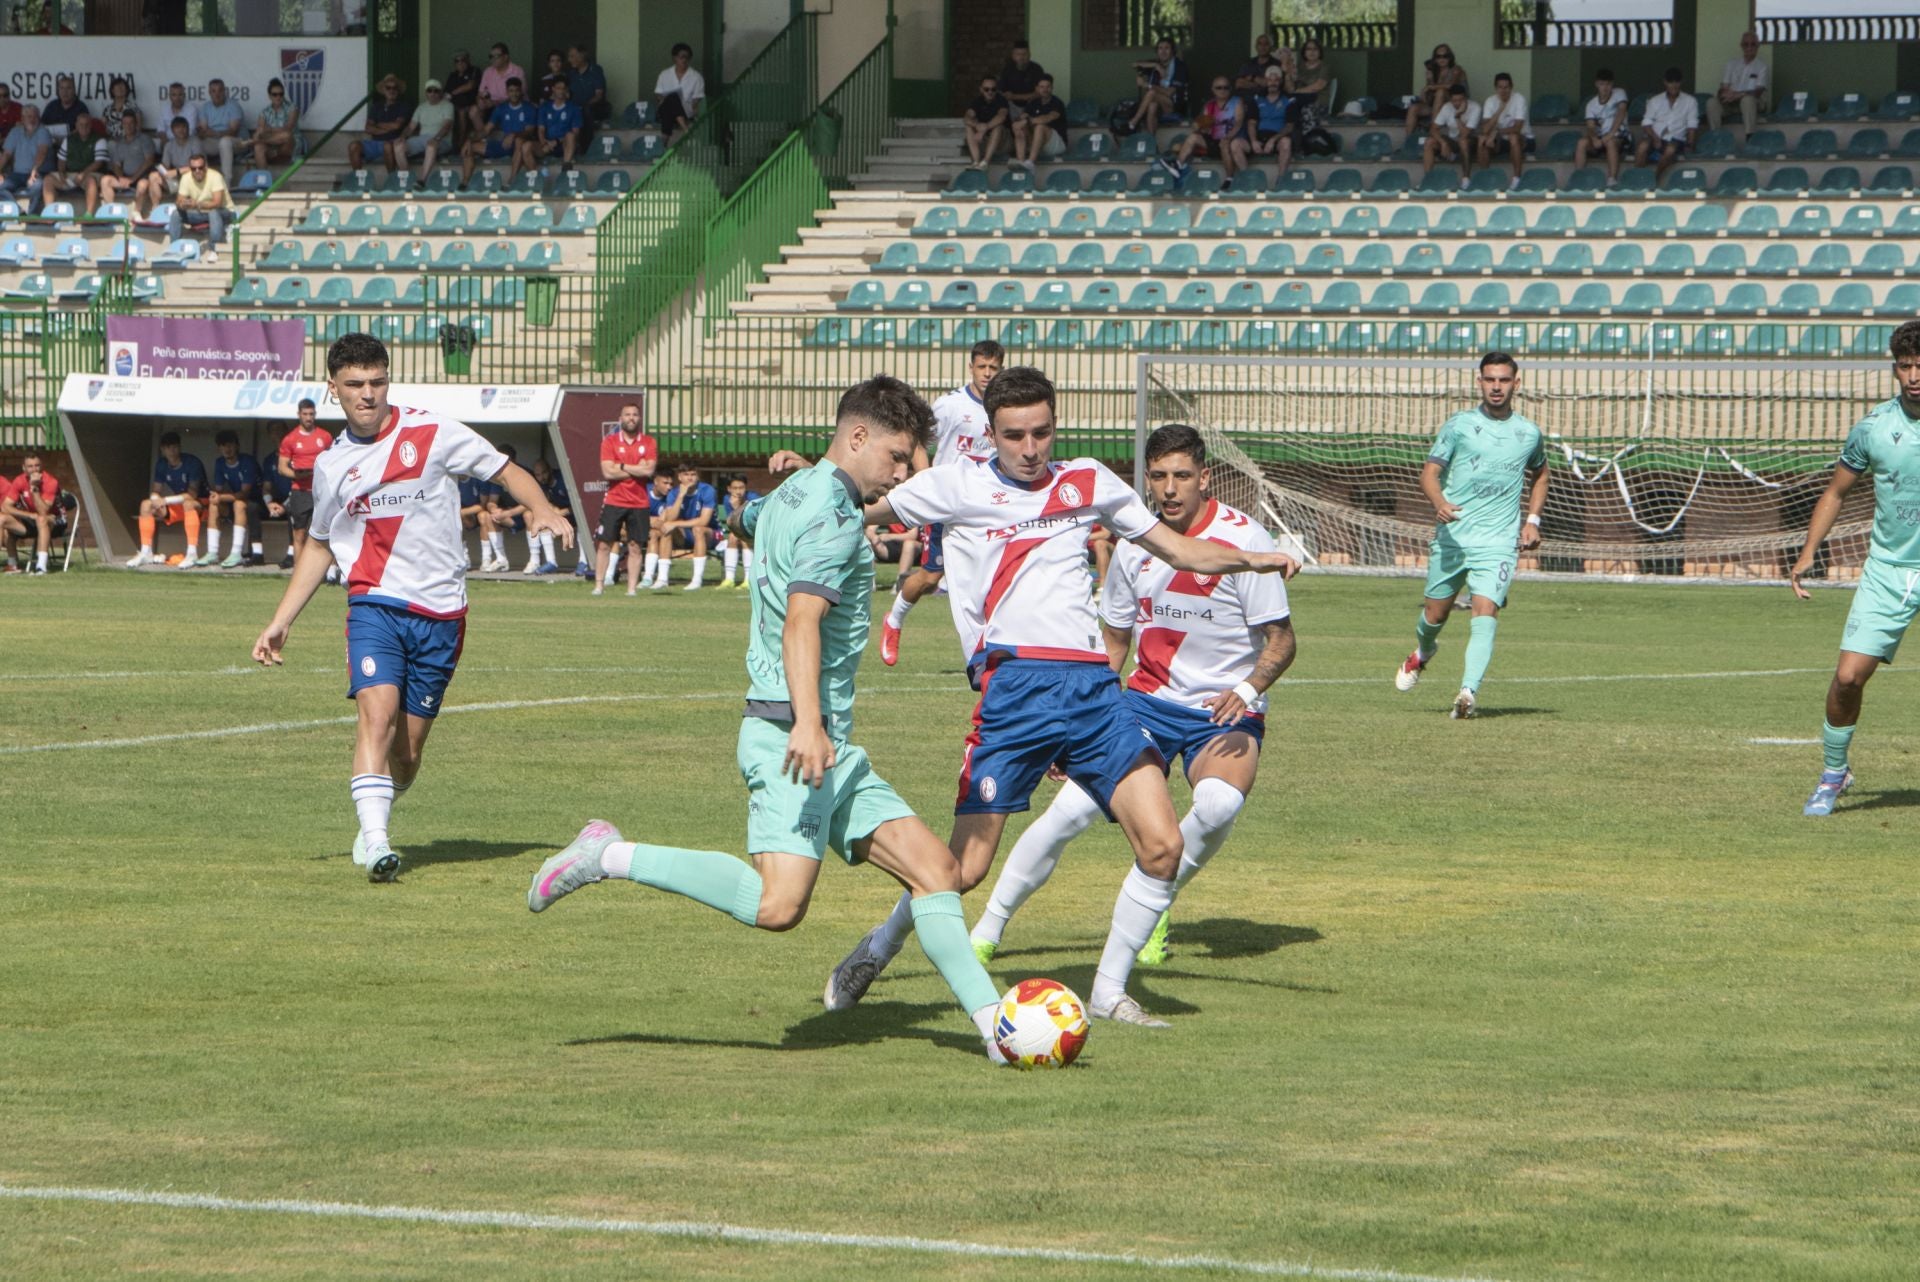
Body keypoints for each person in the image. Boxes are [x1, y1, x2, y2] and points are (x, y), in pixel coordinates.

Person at [525, 376, 1016, 1067]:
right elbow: (801, 622)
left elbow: (740, 523)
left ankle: (997, 1030)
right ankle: (605, 854)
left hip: (825, 739)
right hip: (793, 735)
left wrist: (787, 479)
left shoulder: (792, 493)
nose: (902, 474)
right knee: (778, 907)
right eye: (898, 457)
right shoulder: (834, 518)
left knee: (936, 871)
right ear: (858, 437)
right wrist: (809, 725)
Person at [811, 366, 1301, 1028]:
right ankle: (879, 945)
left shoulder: (1090, 482)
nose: (1030, 447)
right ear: (991, 434)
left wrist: (1256, 559)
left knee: (1161, 847)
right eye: (1015, 435)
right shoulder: (956, 484)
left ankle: (1108, 993)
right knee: (961, 871)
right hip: (1014, 694)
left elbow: (1183, 551)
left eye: (1042, 432)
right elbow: (852, 504)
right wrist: (790, 501)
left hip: (1096, 694)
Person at [970, 424, 1296, 968]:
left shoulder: (1245, 541)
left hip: (1223, 710)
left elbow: (1282, 641)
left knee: (1217, 806)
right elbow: (1114, 641)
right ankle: (987, 928)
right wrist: (1074, 717)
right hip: (1145, 702)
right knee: (1067, 814)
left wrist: (1247, 688)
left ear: (1205, 479)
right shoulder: (1133, 546)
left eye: (1182, 477)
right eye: (1160, 477)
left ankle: (1156, 893)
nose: (1170, 489)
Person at [250, 332, 571, 882]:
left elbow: (504, 470)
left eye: (376, 382)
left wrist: (540, 507)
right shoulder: (331, 465)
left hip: (443, 614)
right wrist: (281, 620)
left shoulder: (434, 431)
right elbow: (322, 542)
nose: (367, 394)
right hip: (374, 602)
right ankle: (377, 843)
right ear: (334, 390)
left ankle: (374, 815)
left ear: (388, 382)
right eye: (354, 385)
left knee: (408, 754)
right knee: (375, 714)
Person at [1790, 321, 1920, 816]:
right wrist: (1808, 553)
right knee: (1847, 679)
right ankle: (1833, 773)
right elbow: (1836, 492)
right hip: (1889, 570)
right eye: (1905, 367)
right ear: (1894, 369)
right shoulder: (1872, 427)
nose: (1913, 376)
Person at [1393, 352, 1549, 721]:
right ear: (1479, 382)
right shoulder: (1459, 425)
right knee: (1434, 614)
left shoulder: (1529, 433)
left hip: (1498, 541)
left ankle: (1467, 692)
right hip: (1453, 537)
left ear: (1517, 384)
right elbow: (1429, 473)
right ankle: (1423, 651)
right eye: (1490, 379)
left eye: (1504, 380)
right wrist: (1439, 502)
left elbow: (1540, 475)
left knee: (1486, 609)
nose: (1497, 386)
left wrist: (1533, 520)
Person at [879, 340, 1001, 666]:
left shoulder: (1002, 407)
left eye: (993, 368)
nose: (987, 373)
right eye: (982, 367)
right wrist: (929, 480)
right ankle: (894, 621)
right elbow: (919, 440)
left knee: (990, 575)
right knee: (931, 578)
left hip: (985, 505)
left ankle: (990, 650)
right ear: (971, 367)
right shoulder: (950, 405)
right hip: (946, 504)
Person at [592, 400, 656, 598]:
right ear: (620, 419)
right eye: (627, 415)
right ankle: (599, 585)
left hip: (639, 502)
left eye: (635, 415)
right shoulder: (610, 442)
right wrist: (637, 468)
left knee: (635, 546)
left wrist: (620, 466)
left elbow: (649, 470)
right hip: (615, 500)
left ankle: (631, 588)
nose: (631, 418)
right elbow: (607, 472)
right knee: (604, 543)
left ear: (640, 418)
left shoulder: (649, 442)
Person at [128, 430, 206, 567]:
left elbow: (192, 494)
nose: (172, 451)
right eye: (168, 448)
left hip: (201, 503)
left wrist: (165, 501)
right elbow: (156, 490)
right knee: (146, 504)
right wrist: (155, 500)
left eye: (175, 447)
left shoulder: (192, 462)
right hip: (179, 505)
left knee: (188, 503)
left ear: (180, 447)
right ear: (162, 449)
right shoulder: (162, 464)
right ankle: (146, 552)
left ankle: (192, 553)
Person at [278, 398, 333, 570]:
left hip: (321, 491)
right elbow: (282, 467)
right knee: (299, 533)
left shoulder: (324, 436)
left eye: (311, 414)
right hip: (300, 491)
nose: (308, 417)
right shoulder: (290, 439)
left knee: (325, 532)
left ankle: (329, 571)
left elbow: (332, 462)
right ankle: (299, 571)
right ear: (299, 415)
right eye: (305, 414)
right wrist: (298, 474)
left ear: (315, 414)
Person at [1165, 76, 1251, 184]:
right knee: (1193, 137)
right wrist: (1199, 126)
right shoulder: (1209, 105)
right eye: (1219, 88)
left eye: (1226, 87)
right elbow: (1202, 126)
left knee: (1225, 143)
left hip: (1233, 139)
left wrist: (1228, 137)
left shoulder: (1237, 101)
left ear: (1230, 89)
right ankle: (1178, 166)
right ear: (1213, 89)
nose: (1223, 90)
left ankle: (1229, 178)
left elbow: (1239, 122)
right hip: (1214, 141)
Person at [206, 429, 265, 568]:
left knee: (239, 503)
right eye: (223, 446)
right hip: (236, 505)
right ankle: (212, 552)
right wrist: (216, 497)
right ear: (219, 448)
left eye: (230, 445)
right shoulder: (220, 463)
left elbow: (244, 493)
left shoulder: (247, 461)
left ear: (237, 446)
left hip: (258, 504)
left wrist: (220, 497)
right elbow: (219, 490)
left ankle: (236, 552)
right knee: (214, 505)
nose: (227, 449)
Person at [462, 77, 535, 188]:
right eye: (511, 91)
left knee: (520, 141)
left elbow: (530, 131)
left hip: (518, 146)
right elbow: (486, 130)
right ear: (507, 92)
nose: (514, 94)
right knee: (470, 147)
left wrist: (514, 134)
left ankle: (512, 181)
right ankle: (465, 182)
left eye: (517, 90)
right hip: (504, 144)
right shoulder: (501, 108)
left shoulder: (529, 108)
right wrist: (469, 140)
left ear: (521, 92)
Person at [1635, 67, 1699, 182]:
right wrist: (1655, 139)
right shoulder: (1655, 100)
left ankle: (1654, 179)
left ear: (1681, 82)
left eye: (1676, 82)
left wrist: (1690, 144)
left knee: (1670, 149)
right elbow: (1646, 123)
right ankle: (1638, 179)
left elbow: (1692, 125)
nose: (1674, 85)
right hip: (1654, 136)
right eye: (1670, 82)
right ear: (1665, 82)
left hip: (1676, 139)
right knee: (1642, 146)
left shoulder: (1690, 101)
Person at [3, 452, 63, 574]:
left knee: (42, 519)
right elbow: (5, 506)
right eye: (30, 466)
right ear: (24, 468)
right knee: (2, 519)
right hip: (31, 521)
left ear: (42, 466)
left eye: (37, 465)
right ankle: (12, 564)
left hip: (55, 521)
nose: (34, 469)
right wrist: (29, 515)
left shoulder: (51, 481)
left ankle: (41, 566)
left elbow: (43, 511)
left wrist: (34, 488)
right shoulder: (19, 480)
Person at [659, 461, 715, 591]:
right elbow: (669, 519)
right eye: (686, 474)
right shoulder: (674, 493)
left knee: (698, 529)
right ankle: (662, 579)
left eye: (693, 474)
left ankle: (697, 580)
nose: (690, 478)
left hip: (711, 534)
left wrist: (676, 524)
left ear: (698, 476)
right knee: (666, 529)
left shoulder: (707, 490)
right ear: (679, 477)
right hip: (686, 535)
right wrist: (680, 496)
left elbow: (704, 521)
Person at [1571, 68, 1631, 187]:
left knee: (1611, 142)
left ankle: (1612, 179)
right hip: (1600, 138)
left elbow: (1621, 111)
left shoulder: (1619, 93)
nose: (1605, 87)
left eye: (1608, 84)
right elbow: (1590, 126)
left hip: (1619, 136)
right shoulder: (1591, 104)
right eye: (1602, 84)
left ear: (1612, 84)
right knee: (1582, 142)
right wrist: (1594, 139)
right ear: (1596, 84)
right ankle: (1578, 178)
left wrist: (1610, 134)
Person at [164, 151, 231, 257]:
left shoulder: (215, 176)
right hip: (201, 212)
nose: (197, 171)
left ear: (206, 167)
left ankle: (214, 249)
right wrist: (183, 204)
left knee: (213, 212)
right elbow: (178, 201)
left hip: (224, 212)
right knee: (176, 213)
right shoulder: (186, 178)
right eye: (193, 168)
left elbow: (217, 203)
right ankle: (174, 248)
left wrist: (197, 204)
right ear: (190, 168)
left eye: (200, 167)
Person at [40, 114, 106, 217]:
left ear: (91, 125)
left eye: (87, 124)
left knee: (91, 181)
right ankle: (50, 214)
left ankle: (88, 215)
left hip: (89, 174)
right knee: (48, 179)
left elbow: (98, 162)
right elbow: (61, 161)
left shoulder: (99, 139)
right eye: (81, 124)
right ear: (76, 125)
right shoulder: (69, 139)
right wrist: (62, 173)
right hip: (70, 174)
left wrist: (83, 174)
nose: (84, 127)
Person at [1475, 72, 1531, 190]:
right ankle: (1485, 179)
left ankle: (1516, 178)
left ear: (1511, 87)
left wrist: (1496, 132)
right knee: (1482, 139)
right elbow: (1485, 129)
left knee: (1513, 137)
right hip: (1500, 141)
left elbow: (1517, 128)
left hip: (1524, 139)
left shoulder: (1519, 99)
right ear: (1495, 88)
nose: (1503, 91)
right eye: (1500, 87)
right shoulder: (1490, 101)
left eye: (1506, 87)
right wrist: (1500, 109)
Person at [1708, 31, 1769, 138]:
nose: (1749, 47)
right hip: (1732, 103)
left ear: (1758, 46)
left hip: (1753, 102)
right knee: (1712, 102)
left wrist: (1738, 95)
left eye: (1753, 44)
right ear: (1741, 46)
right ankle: (1715, 137)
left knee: (1747, 100)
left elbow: (1758, 92)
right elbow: (1723, 88)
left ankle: (1750, 136)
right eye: (1746, 44)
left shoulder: (1762, 66)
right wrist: (1724, 95)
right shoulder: (1731, 64)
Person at [1422, 83, 1481, 188]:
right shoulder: (1447, 107)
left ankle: (1466, 179)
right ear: (1450, 99)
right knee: (1429, 142)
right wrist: (1443, 142)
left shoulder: (1475, 107)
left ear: (1466, 98)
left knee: (1463, 141)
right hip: (1453, 141)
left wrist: (1458, 116)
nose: (1457, 103)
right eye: (1454, 100)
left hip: (1471, 142)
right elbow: (1433, 129)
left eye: (1460, 100)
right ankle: (1428, 179)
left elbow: (1464, 134)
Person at [1406, 44, 1466, 145]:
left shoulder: (1456, 69)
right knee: (1414, 108)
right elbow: (1429, 99)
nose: (1442, 59)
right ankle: (1408, 142)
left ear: (1450, 57)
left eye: (1445, 56)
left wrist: (1431, 87)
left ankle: (1432, 131)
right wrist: (1429, 81)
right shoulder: (1434, 71)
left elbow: (1451, 85)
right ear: (1435, 58)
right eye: (1438, 56)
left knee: (1441, 92)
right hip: (1437, 107)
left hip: (1455, 105)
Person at [100, 111, 156, 214]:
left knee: (142, 185)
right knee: (105, 180)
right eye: (125, 123)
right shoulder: (120, 142)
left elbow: (149, 161)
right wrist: (121, 178)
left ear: (136, 124)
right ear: (122, 125)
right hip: (126, 178)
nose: (128, 126)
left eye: (131, 123)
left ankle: (136, 213)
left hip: (141, 177)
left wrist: (133, 178)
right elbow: (116, 164)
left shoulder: (144, 139)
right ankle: (110, 212)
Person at [141, 116, 201, 213]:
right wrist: (163, 171)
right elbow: (166, 167)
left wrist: (176, 171)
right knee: (153, 176)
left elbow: (198, 166)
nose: (181, 130)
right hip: (176, 182)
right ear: (172, 130)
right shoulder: (169, 145)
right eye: (178, 127)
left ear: (188, 129)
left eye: (184, 127)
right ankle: (155, 209)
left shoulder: (195, 142)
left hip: (192, 180)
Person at [352, 75, 411, 172]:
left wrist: (378, 125)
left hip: (392, 142)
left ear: (398, 91)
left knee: (387, 145)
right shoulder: (376, 106)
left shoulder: (403, 106)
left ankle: (391, 178)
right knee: (353, 146)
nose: (392, 90)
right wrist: (387, 129)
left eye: (395, 88)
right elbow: (368, 128)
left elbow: (397, 126)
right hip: (375, 143)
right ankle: (358, 179)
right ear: (384, 90)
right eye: (388, 88)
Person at [1128, 38, 1187, 136]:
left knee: (1152, 92)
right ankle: (1152, 143)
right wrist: (1156, 66)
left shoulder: (1180, 67)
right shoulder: (1155, 64)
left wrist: (1148, 85)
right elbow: (1134, 64)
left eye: (1167, 48)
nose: (1163, 51)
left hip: (1172, 105)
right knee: (1152, 106)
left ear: (1172, 51)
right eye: (1160, 48)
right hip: (1157, 105)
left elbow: (1169, 93)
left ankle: (1134, 120)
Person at [399, 79, 455, 178]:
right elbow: (410, 127)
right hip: (422, 139)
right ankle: (406, 177)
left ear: (440, 92)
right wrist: (403, 137)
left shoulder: (448, 106)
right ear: (426, 93)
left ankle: (421, 180)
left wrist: (436, 139)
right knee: (398, 145)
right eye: (430, 90)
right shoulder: (421, 107)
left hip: (442, 140)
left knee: (431, 145)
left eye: (436, 91)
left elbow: (446, 127)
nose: (432, 93)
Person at [470, 43, 527, 138]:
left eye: (496, 56)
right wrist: (481, 100)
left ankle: (494, 138)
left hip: (512, 106)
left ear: (505, 57)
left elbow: (519, 95)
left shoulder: (517, 71)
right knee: (474, 110)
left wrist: (495, 103)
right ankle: (484, 138)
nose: (493, 59)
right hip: (491, 106)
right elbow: (480, 93)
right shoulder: (488, 71)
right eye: (490, 56)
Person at [527, 457, 573, 574]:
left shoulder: (563, 479)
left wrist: (562, 512)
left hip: (575, 515)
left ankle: (583, 562)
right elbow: (544, 501)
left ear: (550, 470)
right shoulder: (541, 484)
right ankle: (551, 562)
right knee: (541, 522)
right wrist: (553, 509)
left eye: (544, 473)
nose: (541, 477)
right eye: (538, 475)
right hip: (560, 515)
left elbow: (580, 503)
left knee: (584, 525)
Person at [714, 474, 760, 588]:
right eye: (735, 488)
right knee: (733, 536)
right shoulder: (727, 499)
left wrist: (736, 508)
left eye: (741, 487)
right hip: (739, 532)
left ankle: (749, 579)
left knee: (743, 536)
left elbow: (752, 523)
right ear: (729, 489)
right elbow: (733, 522)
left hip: (757, 533)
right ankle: (729, 579)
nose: (739, 491)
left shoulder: (754, 498)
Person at [1011, 74, 1066, 169]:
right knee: (1019, 126)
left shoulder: (1057, 102)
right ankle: (1021, 162)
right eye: (1042, 87)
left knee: (1040, 126)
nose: (1045, 89)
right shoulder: (1033, 103)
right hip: (1037, 144)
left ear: (1052, 87)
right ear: (1037, 88)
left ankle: (1030, 163)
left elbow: (1048, 117)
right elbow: (1022, 117)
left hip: (1056, 145)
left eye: (1048, 86)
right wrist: (1019, 122)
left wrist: (1029, 121)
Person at [653, 43, 705, 140]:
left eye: (687, 58)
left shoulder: (696, 77)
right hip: (665, 108)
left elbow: (697, 99)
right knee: (671, 99)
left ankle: (664, 142)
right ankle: (686, 130)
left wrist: (694, 109)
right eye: (682, 57)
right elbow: (658, 93)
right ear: (674, 58)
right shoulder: (664, 74)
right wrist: (664, 99)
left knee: (672, 99)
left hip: (686, 111)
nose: (684, 60)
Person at [1250, 65, 1295, 176]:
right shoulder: (1257, 98)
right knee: (1236, 144)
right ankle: (1247, 178)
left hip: (1277, 138)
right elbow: (1251, 123)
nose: (1273, 83)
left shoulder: (1289, 100)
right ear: (1265, 81)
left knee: (1286, 142)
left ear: (1281, 82)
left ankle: (1281, 179)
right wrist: (1253, 141)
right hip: (1259, 138)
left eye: (1276, 80)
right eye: (1270, 80)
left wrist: (1273, 140)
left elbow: (1290, 126)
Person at [196, 79, 245, 177]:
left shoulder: (233, 105)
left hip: (238, 142)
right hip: (215, 141)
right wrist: (201, 132)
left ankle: (226, 183)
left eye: (220, 90)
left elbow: (233, 132)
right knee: (196, 143)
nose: (217, 94)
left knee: (225, 142)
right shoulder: (206, 107)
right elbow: (203, 129)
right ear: (209, 93)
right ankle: (204, 179)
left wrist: (214, 133)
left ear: (224, 91)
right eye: (213, 91)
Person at [0, 106, 52, 200]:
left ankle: (31, 213)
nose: (32, 119)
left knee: (37, 187)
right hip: (17, 174)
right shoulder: (15, 132)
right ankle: (19, 211)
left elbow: (42, 152)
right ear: (22, 119)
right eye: (29, 116)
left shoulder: (43, 131)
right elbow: (6, 154)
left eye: (35, 117)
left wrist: (34, 170)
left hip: (38, 173)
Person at [250, 79, 300, 172]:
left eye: (281, 94)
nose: (278, 97)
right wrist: (259, 135)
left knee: (286, 135)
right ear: (269, 96)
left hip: (289, 144)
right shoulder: (264, 112)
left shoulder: (292, 107)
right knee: (258, 146)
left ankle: (276, 152)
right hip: (272, 143)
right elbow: (260, 131)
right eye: (275, 94)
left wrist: (269, 130)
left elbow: (288, 128)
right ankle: (263, 181)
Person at [961, 75, 1009, 171]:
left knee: (998, 127)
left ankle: (985, 162)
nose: (990, 92)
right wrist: (977, 125)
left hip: (1002, 141)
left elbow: (1001, 116)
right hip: (983, 139)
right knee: (968, 127)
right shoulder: (977, 101)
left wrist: (985, 128)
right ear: (981, 89)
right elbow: (967, 117)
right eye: (986, 89)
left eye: (993, 89)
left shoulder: (1002, 100)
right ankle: (976, 161)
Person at [534, 77, 583, 171]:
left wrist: (556, 141)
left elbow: (575, 133)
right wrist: (544, 143)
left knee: (570, 135)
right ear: (553, 89)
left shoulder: (574, 108)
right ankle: (533, 177)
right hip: (547, 145)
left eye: (563, 88)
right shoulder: (545, 107)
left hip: (565, 145)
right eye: (558, 88)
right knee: (526, 146)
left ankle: (566, 167)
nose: (561, 91)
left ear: (567, 89)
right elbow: (541, 130)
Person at [565, 45, 610, 136]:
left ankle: (587, 146)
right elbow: (567, 94)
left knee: (586, 111)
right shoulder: (571, 73)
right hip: (575, 107)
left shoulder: (595, 70)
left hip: (594, 107)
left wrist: (583, 106)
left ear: (582, 55)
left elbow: (599, 95)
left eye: (572, 56)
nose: (569, 60)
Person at [998, 39, 1047, 121]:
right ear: (1013, 55)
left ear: (1029, 55)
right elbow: (1003, 93)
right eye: (1018, 54)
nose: (1021, 57)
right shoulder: (1007, 70)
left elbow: (1039, 93)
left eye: (1024, 54)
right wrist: (1009, 97)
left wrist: (1014, 96)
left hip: (1031, 104)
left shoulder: (1036, 69)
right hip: (1012, 106)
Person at [443, 50, 481, 145]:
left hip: (469, 104)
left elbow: (470, 86)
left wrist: (453, 93)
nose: (460, 63)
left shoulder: (474, 71)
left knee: (462, 111)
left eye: (463, 60)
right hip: (454, 104)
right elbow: (446, 92)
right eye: (457, 61)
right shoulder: (453, 75)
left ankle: (461, 141)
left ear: (468, 60)